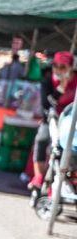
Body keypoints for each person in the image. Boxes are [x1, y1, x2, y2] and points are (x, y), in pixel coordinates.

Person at [31, 51, 76, 190]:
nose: (58, 70)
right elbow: (46, 104)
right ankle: (38, 176)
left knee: (69, 149)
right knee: (42, 140)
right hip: (52, 119)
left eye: (62, 67)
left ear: (71, 68)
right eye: (55, 66)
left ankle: (68, 179)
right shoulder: (48, 81)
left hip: (72, 122)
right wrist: (61, 87)